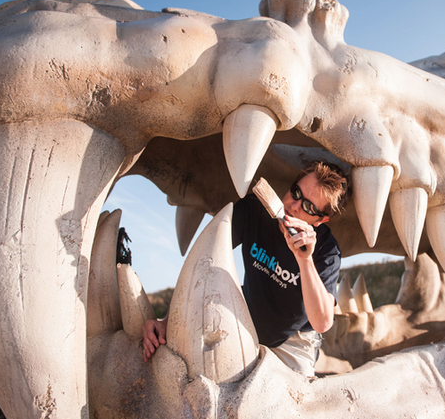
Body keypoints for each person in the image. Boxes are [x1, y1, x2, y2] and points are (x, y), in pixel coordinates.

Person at [143, 160, 351, 377]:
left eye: (309, 207)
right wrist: (168, 321)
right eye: (296, 192)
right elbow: (204, 259)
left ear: (320, 220)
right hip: (244, 320)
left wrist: (304, 259)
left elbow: (322, 322)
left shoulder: (327, 250)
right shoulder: (253, 211)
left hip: (293, 342)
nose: (294, 205)